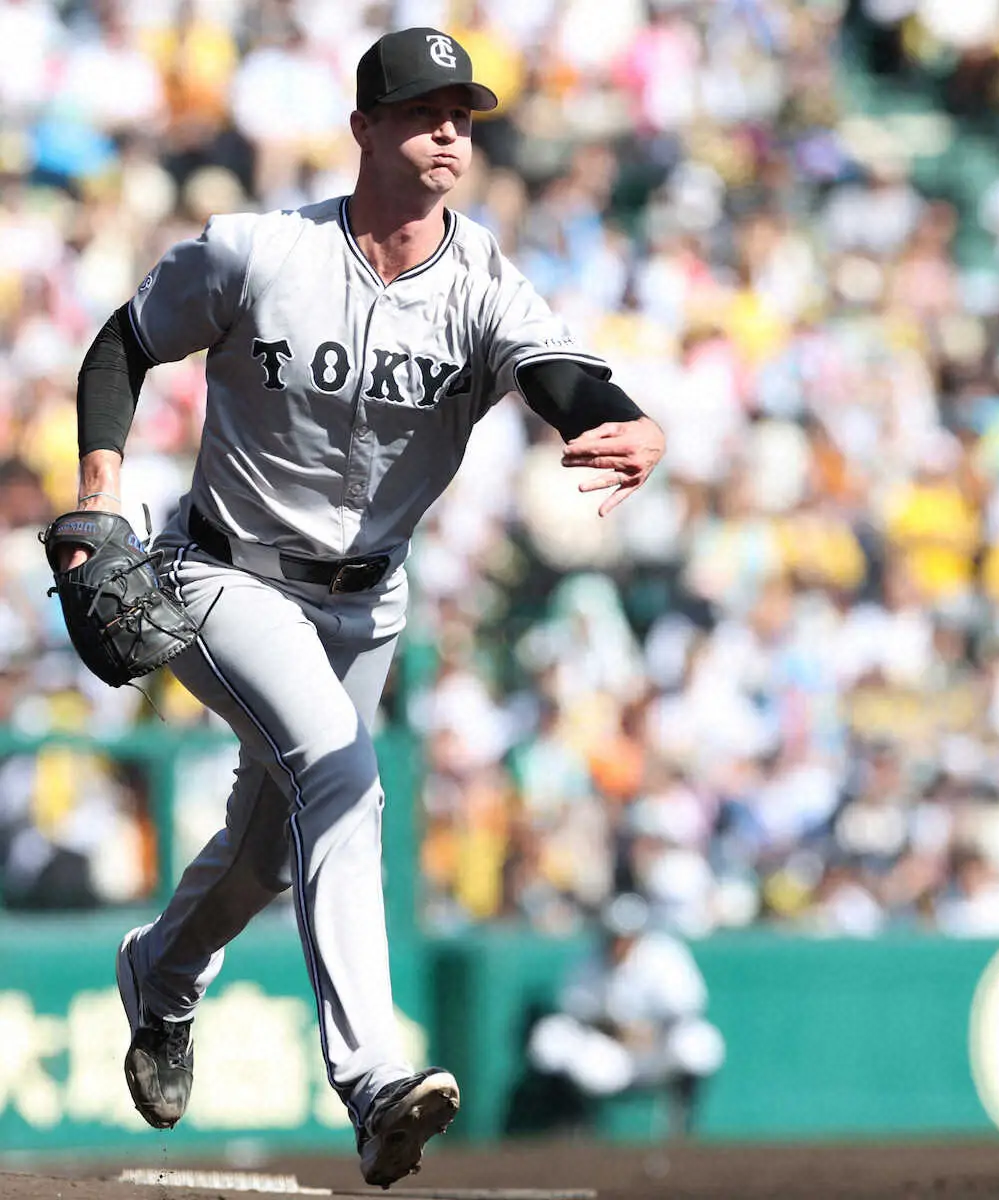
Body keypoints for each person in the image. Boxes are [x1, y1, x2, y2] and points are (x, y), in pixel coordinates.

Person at [56, 26, 665, 1189]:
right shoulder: (258, 252)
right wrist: (99, 492)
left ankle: (162, 977)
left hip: (366, 601)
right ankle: (376, 1077)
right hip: (223, 572)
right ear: (363, 130)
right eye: (423, 112)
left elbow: (558, 376)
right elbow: (122, 346)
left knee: (266, 854)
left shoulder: (481, 283)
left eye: (462, 117)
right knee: (341, 775)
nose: (449, 134)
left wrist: (618, 414)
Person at [527, 893, 725, 1135]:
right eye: (614, 935)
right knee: (551, 1036)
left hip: (658, 1051)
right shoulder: (589, 958)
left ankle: (683, 1124)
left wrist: (648, 1031)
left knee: (696, 1041)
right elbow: (575, 1013)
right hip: (612, 1053)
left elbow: (687, 1009)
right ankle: (570, 1126)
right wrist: (617, 1030)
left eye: (626, 936)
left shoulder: (664, 954)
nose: (619, 942)